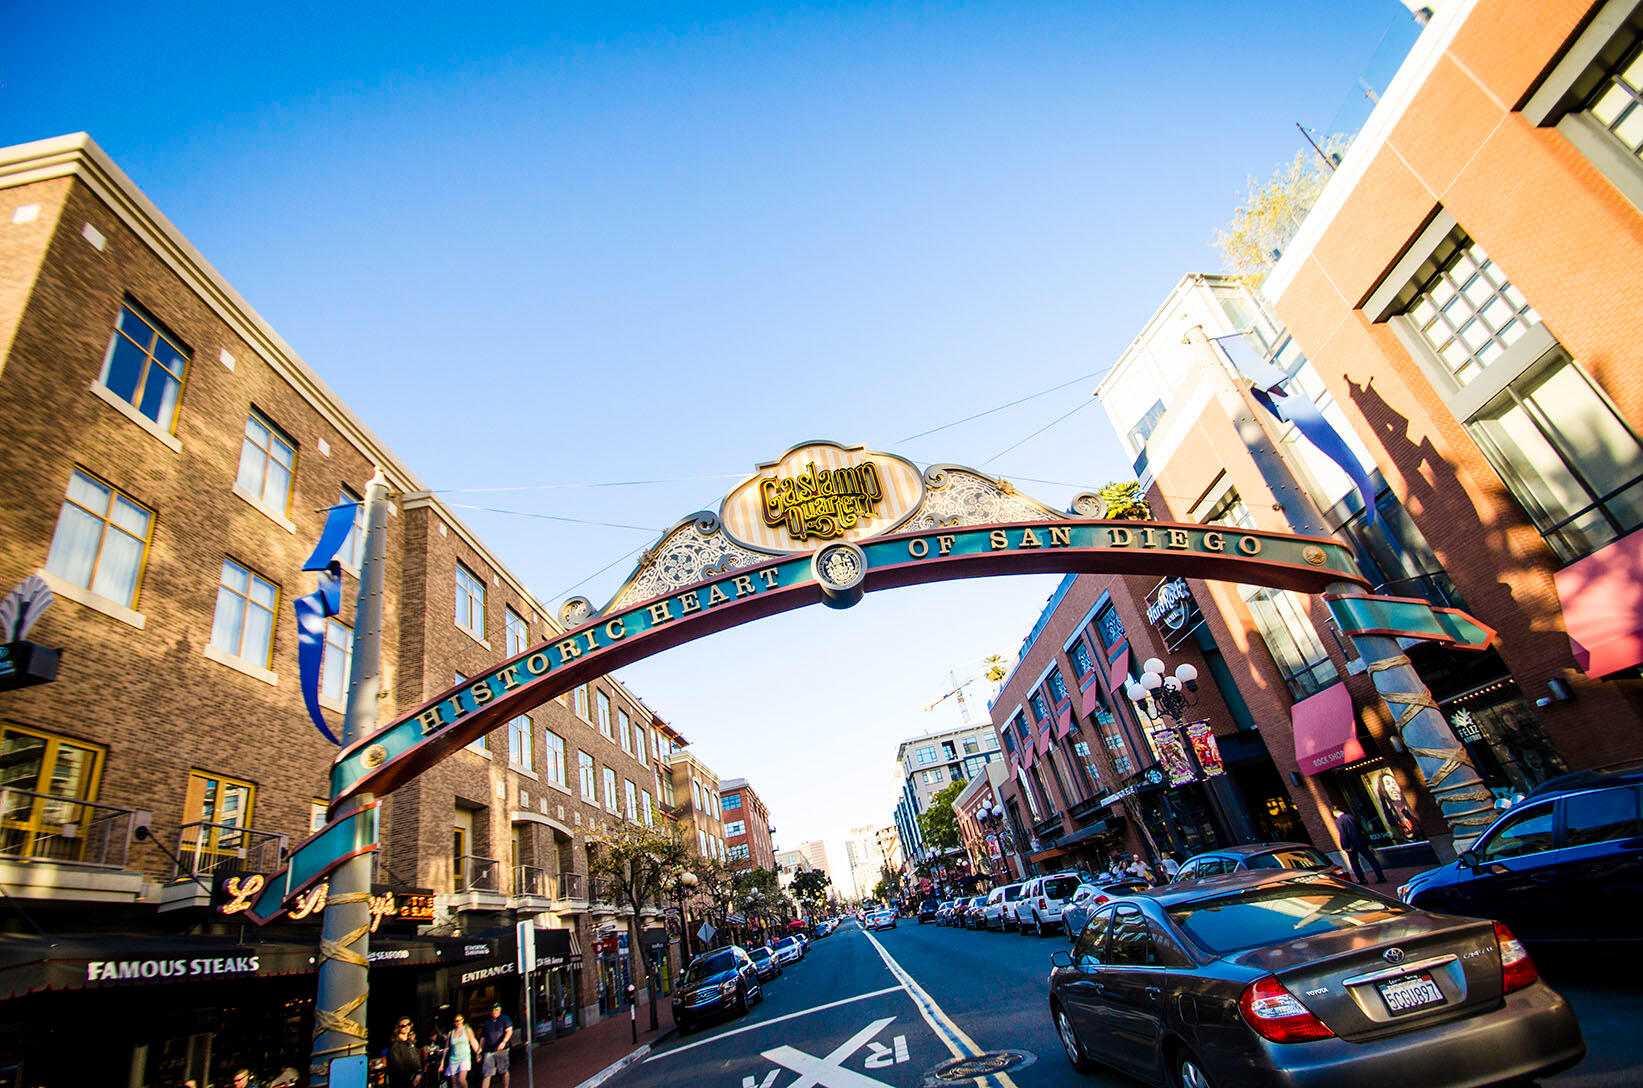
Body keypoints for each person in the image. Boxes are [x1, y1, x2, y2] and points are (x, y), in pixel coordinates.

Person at [1334, 805, 1385, 884]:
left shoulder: (1339, 821)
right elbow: (1361, 829)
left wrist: (1345, 846)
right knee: (1371, 859)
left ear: (1335, 812)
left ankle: (1362, 879)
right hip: (1361, 841)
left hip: (1351, 845)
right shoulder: (1352, 817)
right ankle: (1381, 876)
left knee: (1354, 862)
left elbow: (1343, 834)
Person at [479, 1002, 513, 1088]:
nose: (494, 1011)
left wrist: (504, 1042)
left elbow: (509, 1030)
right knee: (487, 1073)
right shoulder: (487, 1022)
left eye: (496, 1009)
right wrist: (480, 1051)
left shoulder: (505, 1019)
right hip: (489, 1050)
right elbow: (483, 1037)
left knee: (503, 1070)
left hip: (501, 1049)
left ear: (500, 1010)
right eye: (493, 1010)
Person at [444, 1013, 479, 1088]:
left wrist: (478, 1053)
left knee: (461, 1079)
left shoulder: (466, 1029)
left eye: (459, 1020)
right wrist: (442, 1062)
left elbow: (473, 1041)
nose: (458, 1022)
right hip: (453, 1059)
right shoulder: (451, 1033)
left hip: (464, 1058)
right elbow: (446, 1048)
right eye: (456, 1021)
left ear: (462, 1020)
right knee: (454, 1083)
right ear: (454, 1023)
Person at [387, 1018, 422, 1088]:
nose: (406, 1027)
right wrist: (411, 1078)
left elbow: (416, 1059)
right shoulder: (395, 1046)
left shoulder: (410, 1043)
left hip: (415, 1080)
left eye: (408, 1024)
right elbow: (398, 1066)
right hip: (403, 1083)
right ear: (398, 1028)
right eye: (403, 1025)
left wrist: (419, 1074)